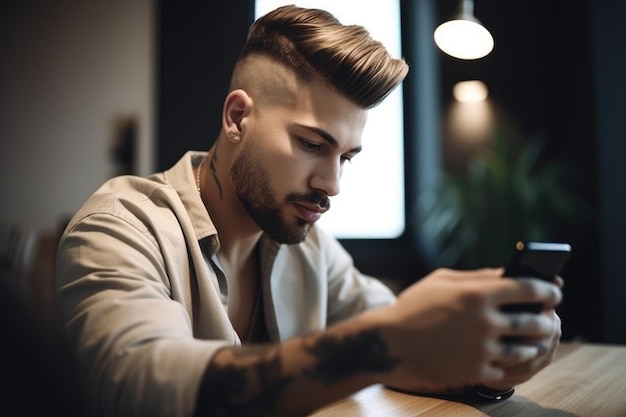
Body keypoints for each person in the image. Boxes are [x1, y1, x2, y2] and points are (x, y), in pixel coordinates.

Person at [55, 5, 563, 417]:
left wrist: (485, 364)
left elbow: (401, 352)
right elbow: (140, 388)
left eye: (345, 157)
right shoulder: (118, 226)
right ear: (237, 118)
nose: (332, 184)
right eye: (311, 144)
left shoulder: (308, 245)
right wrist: (383, 342)